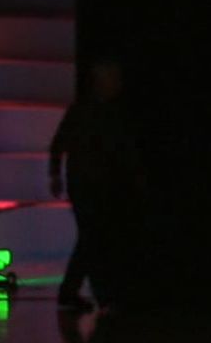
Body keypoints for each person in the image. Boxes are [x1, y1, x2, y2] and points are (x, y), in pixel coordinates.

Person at [50, 59, 146, 311]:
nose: (118, 84)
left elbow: (59, 143)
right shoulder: (96, 112)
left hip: (92, 183)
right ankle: (100, 295)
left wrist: (55, 175)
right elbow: (61, 143)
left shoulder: (97, 112)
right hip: (88, 184)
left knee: (91, 238)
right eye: (113, 79)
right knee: (93, 238)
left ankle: (74, 292)